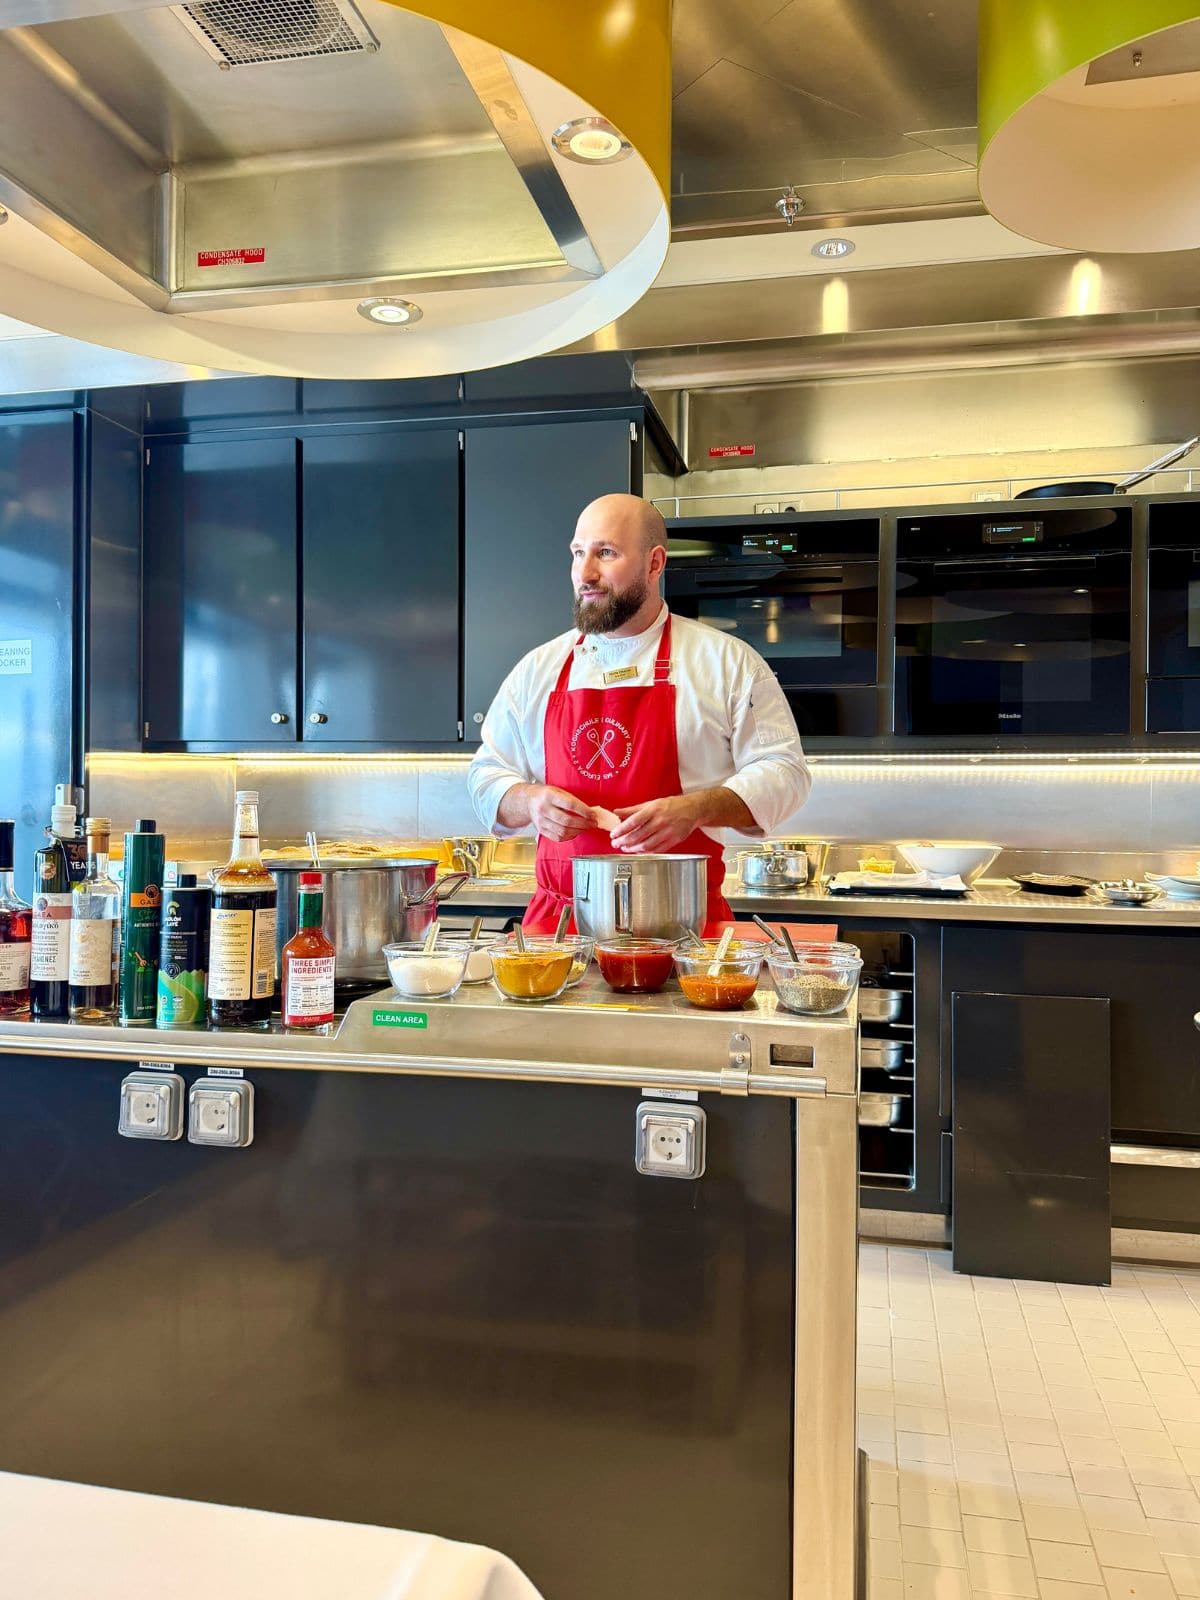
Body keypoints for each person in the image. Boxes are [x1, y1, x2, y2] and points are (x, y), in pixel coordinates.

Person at [467, 493, 812, 933]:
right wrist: (530, 802)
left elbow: (785, 771)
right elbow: (485, 777)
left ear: (654, 564)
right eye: (578, 553)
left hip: (681, 927)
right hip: (558, 932)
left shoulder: (726, 663)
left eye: (605, 553)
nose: (585, 574)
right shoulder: (538, 669)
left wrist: (696, 809)